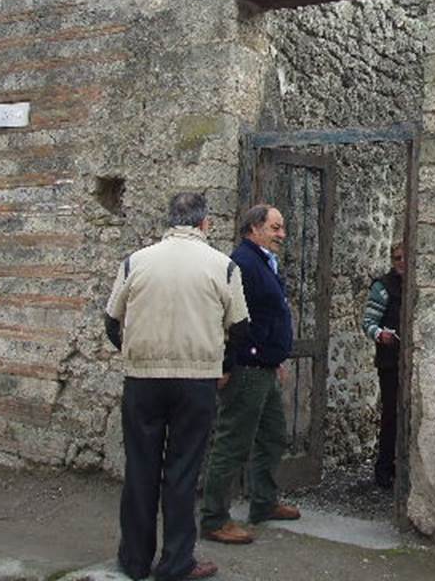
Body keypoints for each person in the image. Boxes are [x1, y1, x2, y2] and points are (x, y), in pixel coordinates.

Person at [104, 192, 248, 581]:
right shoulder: (224, 266)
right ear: (205, 224)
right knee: (183, 472)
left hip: (142, 380)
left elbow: (111, 321)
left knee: (140, 468)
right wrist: (223, 365)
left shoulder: (136, 261)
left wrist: (134, 353)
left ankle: (134, 561)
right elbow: (239, 328)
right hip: (196, 380)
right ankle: (176, 562)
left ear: (169, 221)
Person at [199, 204, 301, 544]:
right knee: (233, 443)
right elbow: (226, 319)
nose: (281, 234)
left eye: (281, 227)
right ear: (254, 228)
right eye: (275, 227)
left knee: (272, 436)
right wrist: (226, 365)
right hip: (247, 368)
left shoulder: (262, 261)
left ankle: (263, 502)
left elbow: (267, 316)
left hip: (266, 366)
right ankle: (214, 518)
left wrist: (277, 358)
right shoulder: (242, 263)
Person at [360, 242, 405, 489]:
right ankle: (384, 469)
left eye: (406, 257)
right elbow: (368, 322)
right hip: (390, 361)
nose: (402, 262)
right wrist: (380, 335)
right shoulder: (383, 288)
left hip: (410, 362)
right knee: (391, 414)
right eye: (397, 257)